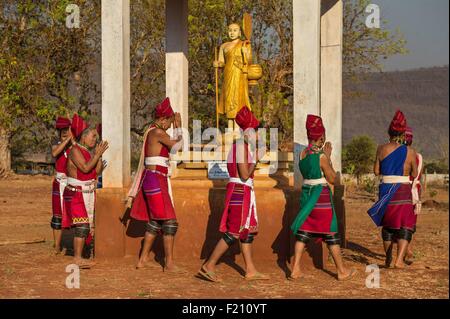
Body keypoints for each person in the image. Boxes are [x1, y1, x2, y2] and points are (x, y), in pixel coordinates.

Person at [198, 106, 269, 282]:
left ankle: (250, 270)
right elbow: (245, 175)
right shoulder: (240, 146)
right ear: (249, 131)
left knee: (246, 231)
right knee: (234, 232)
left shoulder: (242, 146)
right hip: (240, 191)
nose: (258, 136)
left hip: (243, 192)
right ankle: (209, 265)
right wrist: (258, 159)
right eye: (256, 132)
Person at [289, 115, 356, 281]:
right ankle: (341, 271)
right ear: (321, 137)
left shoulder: (302, 154)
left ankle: (295, 269)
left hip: (306, 194)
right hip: (321, 197)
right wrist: (329, 156)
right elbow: (333, 179)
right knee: (331, 232)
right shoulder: (321, 157)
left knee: (304, 231)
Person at [127, 97, 183, 272]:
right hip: (156, 180)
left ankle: (143, 259)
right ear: (163, 119)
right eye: (169, 122)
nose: (169, 125)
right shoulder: (158, 132)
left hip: (154, 179)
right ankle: (169, 263)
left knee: (155, 221)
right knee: (170, 222)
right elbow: (177, 147)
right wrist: (179, 128)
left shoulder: (152, 131)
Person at [368, 110, 418, 269]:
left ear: (389, 132)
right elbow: (415, 173)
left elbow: (376, 171)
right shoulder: (410, 152)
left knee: (388, 223)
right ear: (403, 133)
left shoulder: (381, 149)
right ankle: (398, 260)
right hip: (403, 191)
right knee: (406, 224)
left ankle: (388, 259)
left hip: (386, 190)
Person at [63, 114, 108, 268]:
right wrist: (97, 154)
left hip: (87, 192)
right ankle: (77, 258)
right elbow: (85, 168)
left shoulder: (87, 151)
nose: (95, 139)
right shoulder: (75, 150)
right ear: (83, 136)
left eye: (96, 136)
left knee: (87, 225)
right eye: (93, 136)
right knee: (82, 226)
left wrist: (99, 155)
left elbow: (97, 171)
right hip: (76, 193)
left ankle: (81, 255)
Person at [214, 23, 252, 129]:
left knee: (237, 98)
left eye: (235, 30)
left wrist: (246, 53)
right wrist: (218, 64)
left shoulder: (244, 44)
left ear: (240, 32)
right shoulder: (224, 46)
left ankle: (237, 127)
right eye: (230, 30)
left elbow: (249, 61)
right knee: (228, 98)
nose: (232, 33)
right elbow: (222, 62)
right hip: (228, 74)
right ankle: (229, 128)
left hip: (239, 75)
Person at [50, 116, 74, 255]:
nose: (64, 132)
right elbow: (54, 153)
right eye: (61, 130)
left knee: (73, 213)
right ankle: (57, 246)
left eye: (66, 129)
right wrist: (66, 141)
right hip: (59, 182)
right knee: (57, 214)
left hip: (72, 182)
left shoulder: (75, 145)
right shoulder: (56, 142)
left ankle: (74, 244)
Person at [404, 126, 423, 264]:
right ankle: (407, 250)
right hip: (413, 192)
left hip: (404, 191)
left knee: (402, 223)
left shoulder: (399, 155)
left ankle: (407, 250)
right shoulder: (418, 157)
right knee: (409, 223)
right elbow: (418, 178)